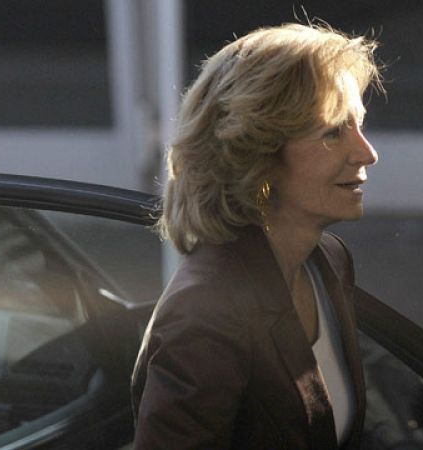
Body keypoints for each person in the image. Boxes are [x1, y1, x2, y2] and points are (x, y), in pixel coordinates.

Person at [131, 23, 383, 449]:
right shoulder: (204, 312)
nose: (367, 153)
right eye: (333, 132)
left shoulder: (329, 260)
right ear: (258, 153)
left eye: (360, 125)